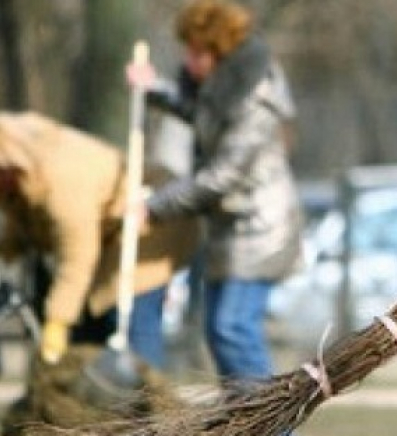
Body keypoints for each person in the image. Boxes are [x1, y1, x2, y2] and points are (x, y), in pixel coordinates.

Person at [130, 0, 303, 383]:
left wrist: (154, 208)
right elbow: (199, 113)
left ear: (219, 51)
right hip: (232, 229)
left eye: (196, 52)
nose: (189, 62)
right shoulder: (220, 89)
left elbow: (222, 176)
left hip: (261, 230)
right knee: (220, 331)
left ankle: (273, 431)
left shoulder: (255, 98)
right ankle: (246, 427)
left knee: (232, 328)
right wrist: (153, 90)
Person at [0, 111, 198, 369]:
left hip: (148, 227)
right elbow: (22, 230)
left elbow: (77, 259)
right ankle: (98, 402)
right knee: (89, 325)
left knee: (129, 318)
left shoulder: (63, 178)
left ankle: (152, 401)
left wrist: (57, 321)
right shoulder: (22, 179)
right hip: (108, 235)